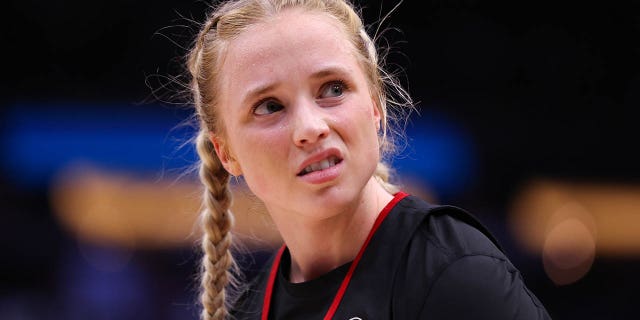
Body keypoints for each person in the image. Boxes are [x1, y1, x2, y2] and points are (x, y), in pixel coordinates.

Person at [186, 0, 551, 319]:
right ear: (226, 153)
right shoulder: (249, 311)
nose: (310, 128)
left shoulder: (452, 274)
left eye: (333, 89)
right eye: (270, 106)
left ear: (375, 105)